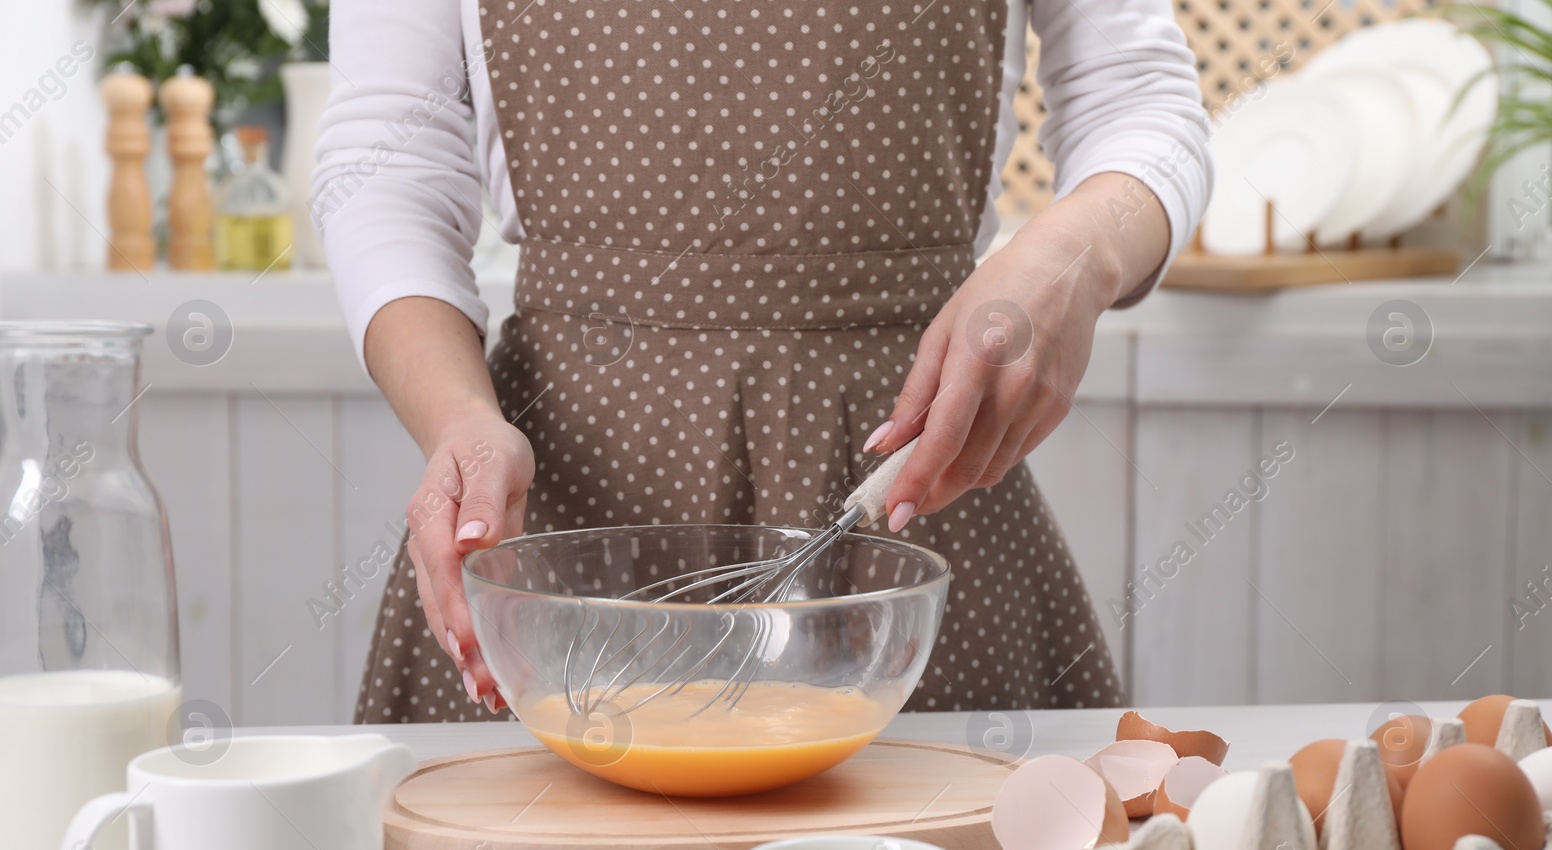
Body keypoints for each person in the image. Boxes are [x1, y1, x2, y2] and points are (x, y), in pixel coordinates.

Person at [314, 0, 1211, 723]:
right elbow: (388, 154)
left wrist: (1079, 252)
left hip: (909, 484)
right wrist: (458, 421)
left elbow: (1139, 101)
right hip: (556, 525)